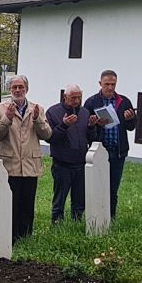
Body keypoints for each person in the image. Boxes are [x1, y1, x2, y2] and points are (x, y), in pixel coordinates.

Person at [0, 74, 51, 242]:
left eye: (21, 87)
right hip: (9, 164)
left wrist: (37, 119)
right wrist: (7, 118)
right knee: (11, 204)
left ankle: (26, 237)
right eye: (14, 88)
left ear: (27, 89)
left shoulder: (37, 108)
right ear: (9, 90)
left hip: (30, 164)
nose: (18, 90)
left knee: (27, 204)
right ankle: (10, 236)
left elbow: (47, 134)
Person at [83, 70, 138, 218]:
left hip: (118, 151)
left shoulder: (124, 101)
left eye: (113, 84)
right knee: (97, 186)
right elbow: (85, 128)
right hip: (99, 150)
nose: (110, 87)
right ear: (100, 84)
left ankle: (110, 217)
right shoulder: (91, 102)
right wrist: (94, 124)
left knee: (113, 188)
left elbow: (131, 127)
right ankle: (95, 216)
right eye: (107, 84)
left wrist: (130, 118)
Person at [48, 84, 91, 225]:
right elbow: (51, 138)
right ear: (65, 97)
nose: (77, 101)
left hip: (81, 163)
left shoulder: (85, 113)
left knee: (79, 198)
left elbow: (91, 138)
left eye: (79, 97)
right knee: (60, 197)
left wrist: (92, 126)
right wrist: (64, 125)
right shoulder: (53, 112)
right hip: (62, 163)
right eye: (73, 98)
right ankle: (57, 222)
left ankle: (77, 222)